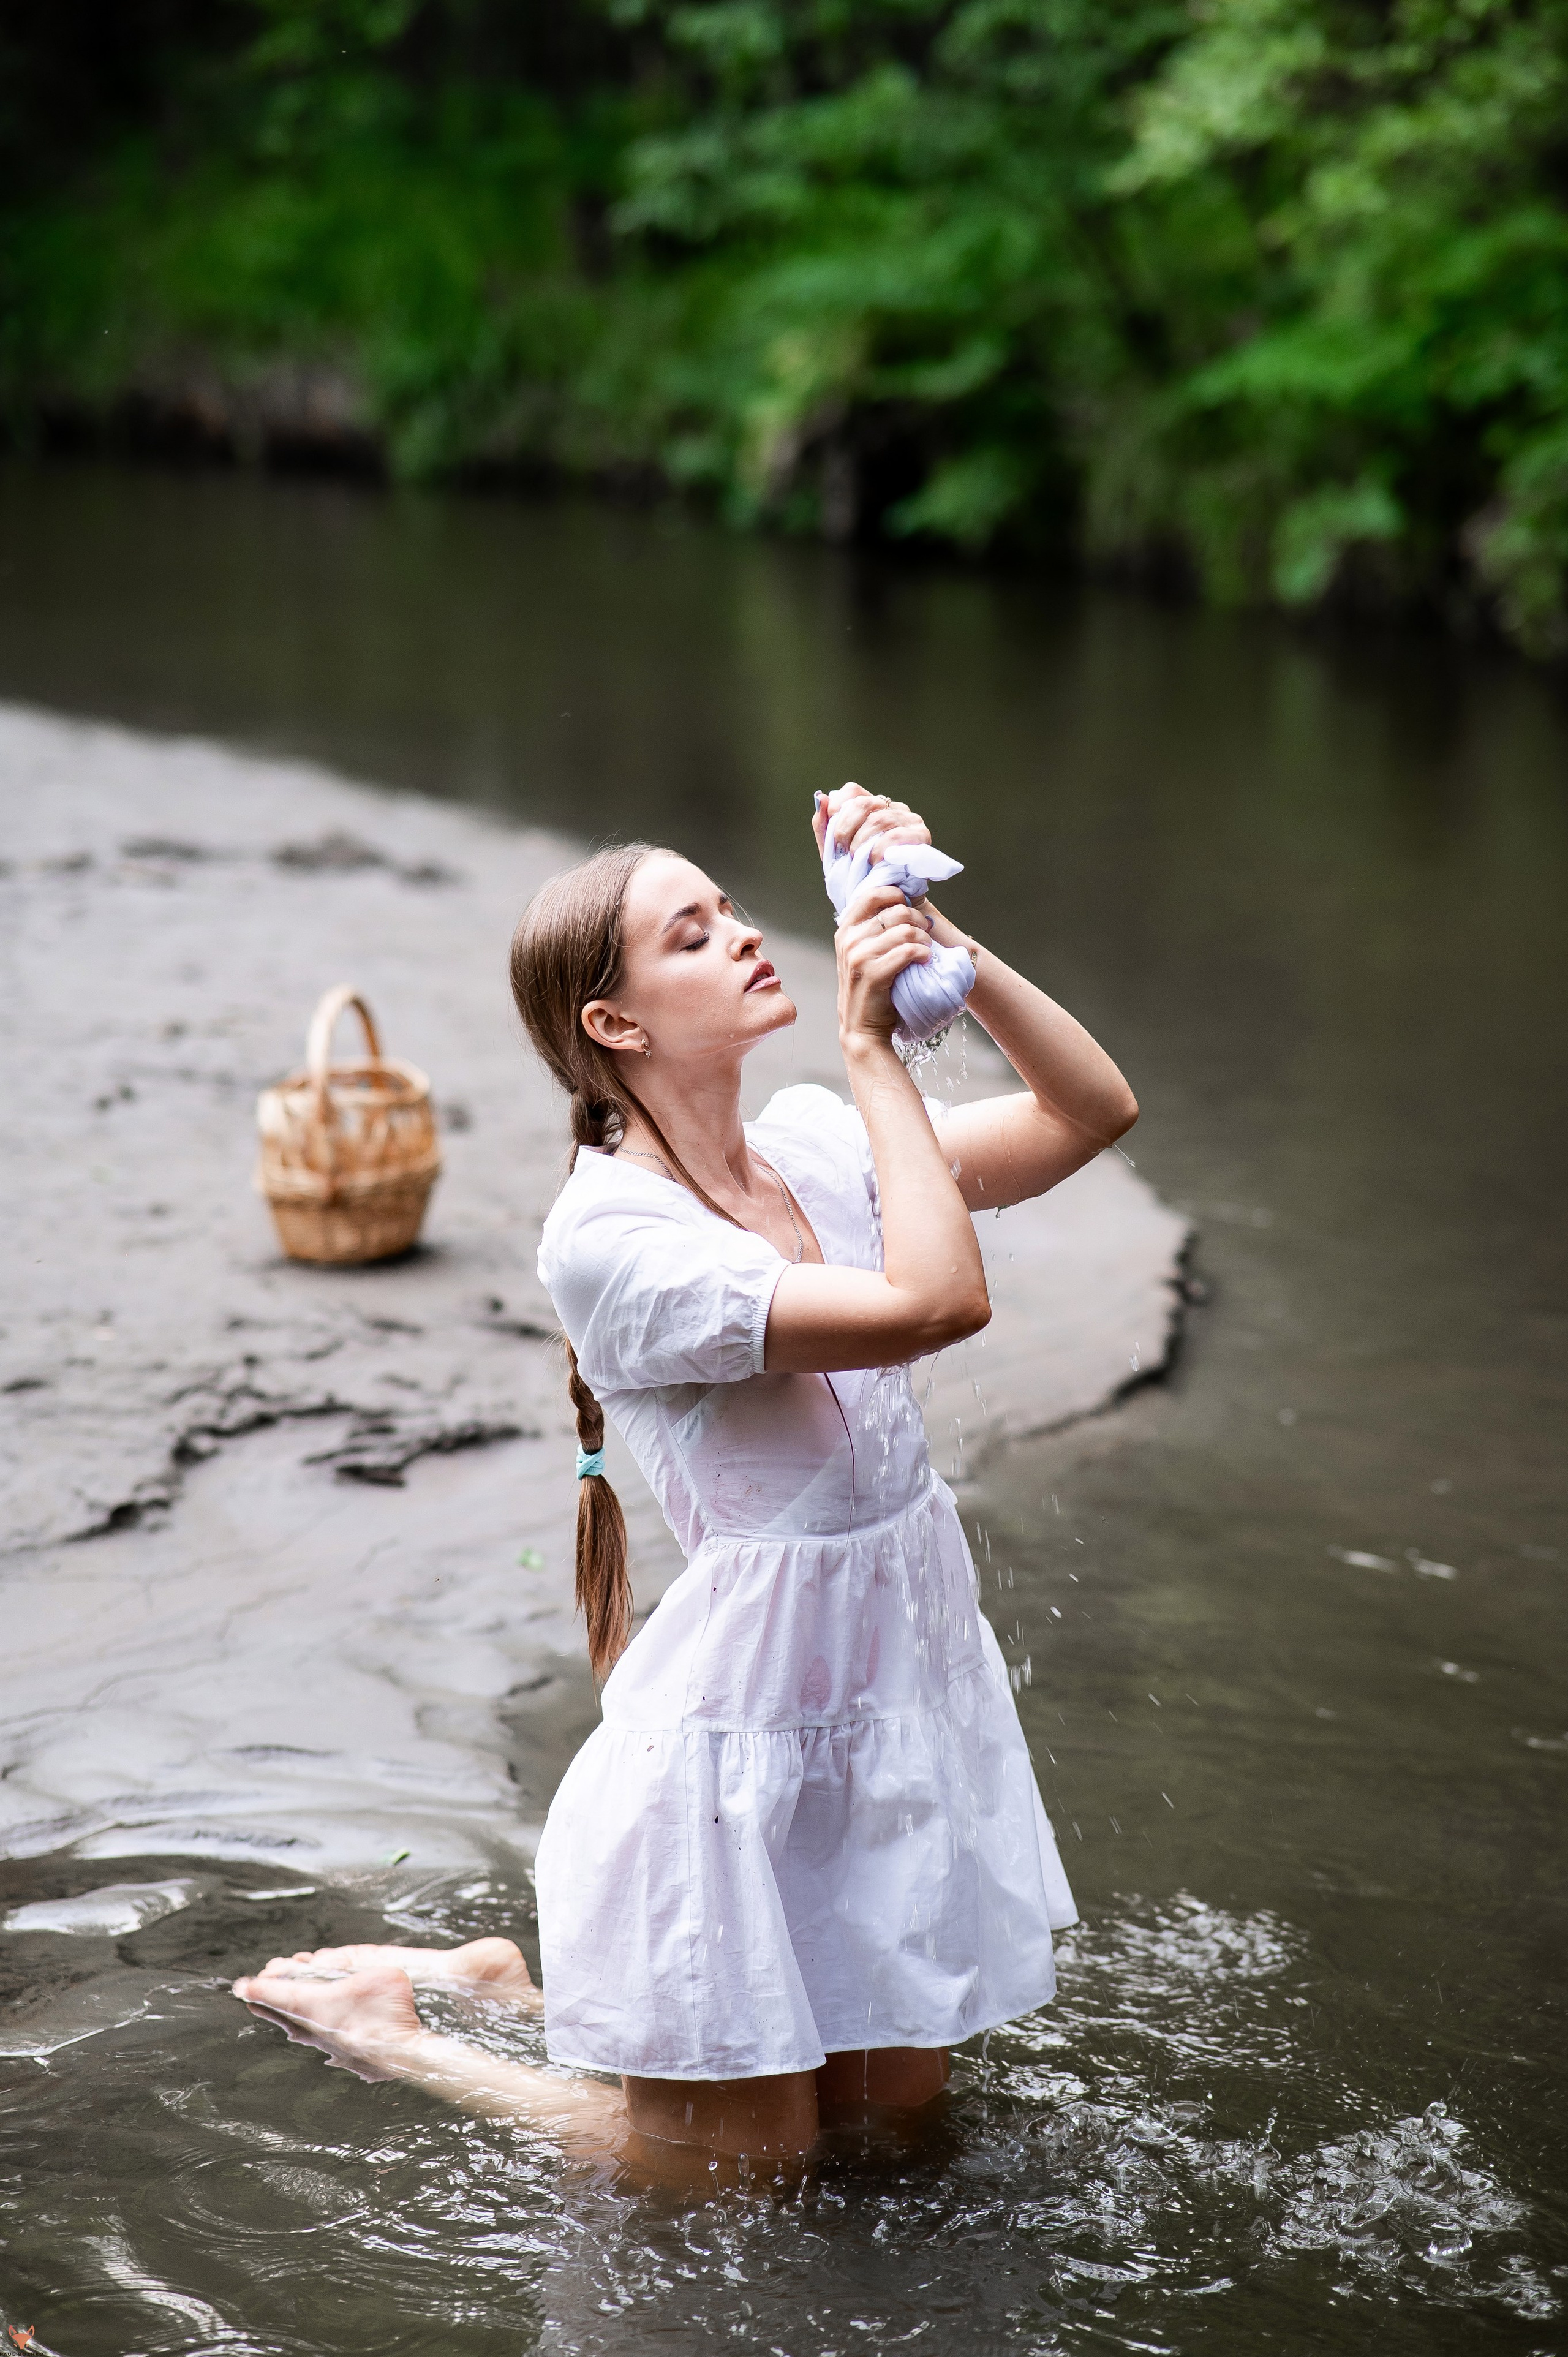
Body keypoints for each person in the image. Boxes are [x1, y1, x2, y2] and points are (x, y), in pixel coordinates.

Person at [232, 784, 1137, 2170]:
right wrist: (878, 1054)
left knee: (890, 2131)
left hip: (884, 1707)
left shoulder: (812, 1142)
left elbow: (1091, 1110)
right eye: (692, 931)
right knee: (726, 2178)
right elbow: (937, 1304)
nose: (744, 935)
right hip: (738, 1756)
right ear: (616, 1023)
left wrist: (922, 934)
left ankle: (504, 1990)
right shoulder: (611, 1240)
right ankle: (391, 2028)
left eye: (730, 909)